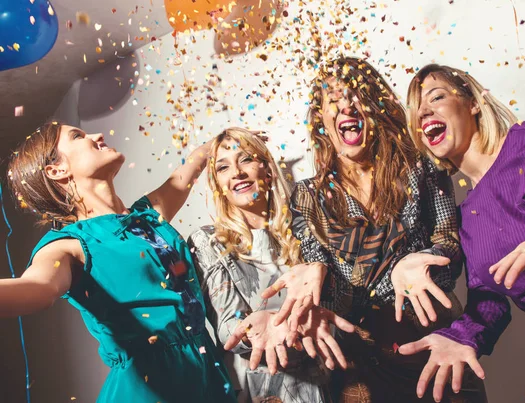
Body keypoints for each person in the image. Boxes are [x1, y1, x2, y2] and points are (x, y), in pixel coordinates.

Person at [264, 57, 488, 402]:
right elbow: (329, 296)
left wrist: (425, 260)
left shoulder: (421, 166)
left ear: (376, 107)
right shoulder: (308, 196)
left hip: (436, 344)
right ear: (320, 119)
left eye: (357, 96)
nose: (346, 107)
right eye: (333, 101)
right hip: (360, 364)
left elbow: (449, 240)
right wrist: (317, 273)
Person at [402, 63, 525, 403]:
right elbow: (490, 300)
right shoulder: (466, 214)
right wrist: (462, 335)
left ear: (473, 102)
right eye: (416, 109)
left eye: (435, 97)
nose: (424, 111)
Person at [3, 122, 236, 402]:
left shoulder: (149, 216)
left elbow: (188, 170)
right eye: (78, 136)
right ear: (57, 170)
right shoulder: (68, 246)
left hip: (206, 375)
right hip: (148, 391)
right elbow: (37, 288)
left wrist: (226, 140)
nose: (98, 135)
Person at [188, 127, 354, 402]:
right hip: (262, 388)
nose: (237, 172)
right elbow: (227, 325)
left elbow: (337, 303)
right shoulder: (208, 241)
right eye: (223, 167)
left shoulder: (305, 227)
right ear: (219, 186)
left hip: (325, 383)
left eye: (246, 159)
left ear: (267, 169)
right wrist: (259, 326)